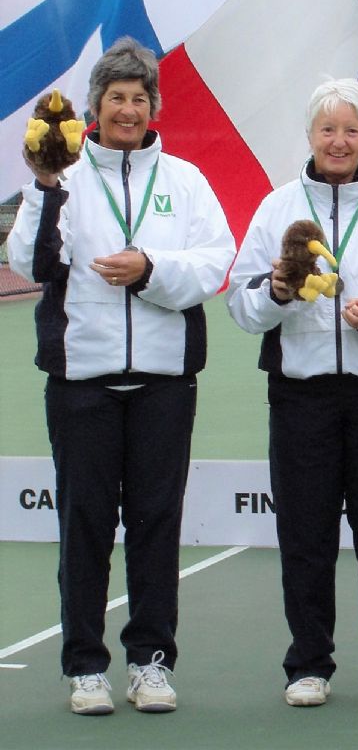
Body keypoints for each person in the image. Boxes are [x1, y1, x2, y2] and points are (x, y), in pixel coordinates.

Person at [8, 37, 236, 715]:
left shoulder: (186, 181)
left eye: (139, 98)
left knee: (156, 524)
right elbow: (31, 262)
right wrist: (46, 186)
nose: (128, 109)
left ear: (153, 107)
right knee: (84, 525)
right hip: (82, 382)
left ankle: (150, 663)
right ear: (94, 109)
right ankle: (85, 667)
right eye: (116, 98)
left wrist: (151, 270)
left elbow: (213, 262)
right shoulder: (62, 177)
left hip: (165, 383)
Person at [226, 78, 358, 707]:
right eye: (327, 129)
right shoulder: (276, 206)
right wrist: (280, 293)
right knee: (305, 535)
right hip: (301, 399)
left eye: (351, 129)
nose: (339, 141)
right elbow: (241, 301)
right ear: (310, 136)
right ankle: (308, 663)